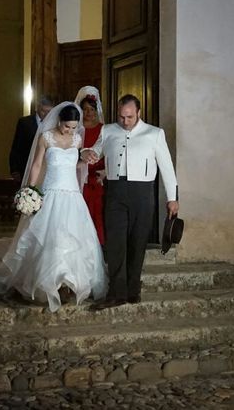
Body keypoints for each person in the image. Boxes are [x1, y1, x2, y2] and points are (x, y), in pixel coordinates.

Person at [0, 102, 107, 312]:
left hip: (72, 195)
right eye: (67, 126)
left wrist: (85, 160)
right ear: (59, 121)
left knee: (72, 239)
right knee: (48, 238)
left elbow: (73, 165)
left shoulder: (77, 139)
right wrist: (30, 190)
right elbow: (37, 164)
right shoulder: (46, 137)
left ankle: (68, 283)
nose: (70, 131)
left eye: (74, 127)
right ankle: (47, 284)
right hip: (50, 192)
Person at [81, 94, 178, 309]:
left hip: (142, 193)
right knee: (115, 242)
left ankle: (133, 290)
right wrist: (88, 153)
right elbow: (96, 150)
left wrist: (173, 198)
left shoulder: (155, 134)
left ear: (139, 113)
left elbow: (167, 168)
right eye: (122, 116)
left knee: (137, 242)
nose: (125, 121)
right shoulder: (108, 130)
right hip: (115, 191)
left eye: (130, 117)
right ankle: (116, 293)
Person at [75, 86, 106, 246]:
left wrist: (105, 170)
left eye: (91, 109)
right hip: (78, 177)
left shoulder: (103, 129)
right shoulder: (75, 129)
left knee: (96, 211)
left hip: (96, 177)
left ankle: (97, 246)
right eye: (85, 109)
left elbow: (108, 153)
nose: (88, 113)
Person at [9, 95, 56, 183]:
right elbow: (16, 147)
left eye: (49, 112)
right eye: (43, 111)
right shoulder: (25, 122)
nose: (46, 115)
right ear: (37, 108)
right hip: (26, 165)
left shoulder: (55, 125)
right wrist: (14, 170)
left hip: (47, 168)